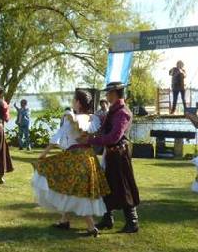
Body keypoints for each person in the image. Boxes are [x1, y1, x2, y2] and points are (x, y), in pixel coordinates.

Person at [33, 89, 110, 236]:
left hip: (76, 158)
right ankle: (64, 220)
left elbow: (57, 138)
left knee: (79, 191)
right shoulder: (93, 118)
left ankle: (91, 227)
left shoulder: (72, 118)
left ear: (78, 103)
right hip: (89, 157)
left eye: (73, 100)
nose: (72, 102)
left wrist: (43, 154)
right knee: (73, 188)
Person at [83, 82, 141, 233]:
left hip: (119, 154)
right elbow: (105, 127)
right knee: (106, 185)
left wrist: (91, 140)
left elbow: (114, 137)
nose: (106, 95)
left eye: (108, 93)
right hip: (112, 154)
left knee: (123, 187)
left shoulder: (122, 112)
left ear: (114, 93)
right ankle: (107, 218)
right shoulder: (114, 110)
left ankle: (132, 222)